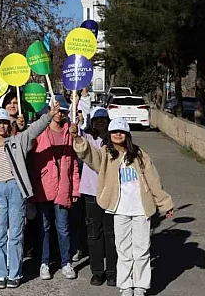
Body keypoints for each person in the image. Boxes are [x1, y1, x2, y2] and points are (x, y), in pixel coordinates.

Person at [71, 118, 174, 296]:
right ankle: (126, 286)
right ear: (109, 135)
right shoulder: (105, 153)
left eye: (121, 132)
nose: (117, 135)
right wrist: (78, 139)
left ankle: (140, 285)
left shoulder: (139, 154)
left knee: (141, 249)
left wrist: (164, 203)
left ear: (127, 134)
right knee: (123, 249)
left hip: (141, 209)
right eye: (114, 132)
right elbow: (88, 155)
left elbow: (153, 180)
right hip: (119, 209)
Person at [0, 101, 61, 289]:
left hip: (16, 190)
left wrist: (49, 115)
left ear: (9, 125)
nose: (2, 126)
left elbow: (35, 129)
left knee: (16, 234)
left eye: (4, 122)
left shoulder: (18, 141)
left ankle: (15, 273)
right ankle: (0, 273)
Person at [29, 95, 80, 280]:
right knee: (44, 227)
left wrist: (75, 189)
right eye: (56, 110)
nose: (60, 114)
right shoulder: (40, 133)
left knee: (63, 227)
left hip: (64, 188)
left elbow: (73, 163)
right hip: (43, 187)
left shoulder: (70, 132)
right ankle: (44, 262)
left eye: (63, 110)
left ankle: (66, 262)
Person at [79, 108, 117, 286]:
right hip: (90, 192)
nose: (100, 122)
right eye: (96, 119)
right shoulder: (87, 138)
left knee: (111, 233)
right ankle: (97, 272)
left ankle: (112, 272)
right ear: (91, 122)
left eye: (103, 119)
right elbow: (74, 133)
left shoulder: (115, 140)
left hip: (110, 192)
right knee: (94, 233)